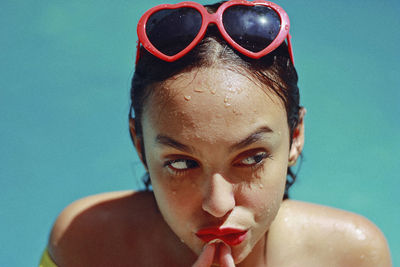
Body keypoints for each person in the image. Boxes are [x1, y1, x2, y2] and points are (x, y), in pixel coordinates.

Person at [40, 0, 392, 266]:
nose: (218, 204)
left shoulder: (350, 255)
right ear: (139, 145)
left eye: (251, 157)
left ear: (296, 136)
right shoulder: (86, 244)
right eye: (181, 163)